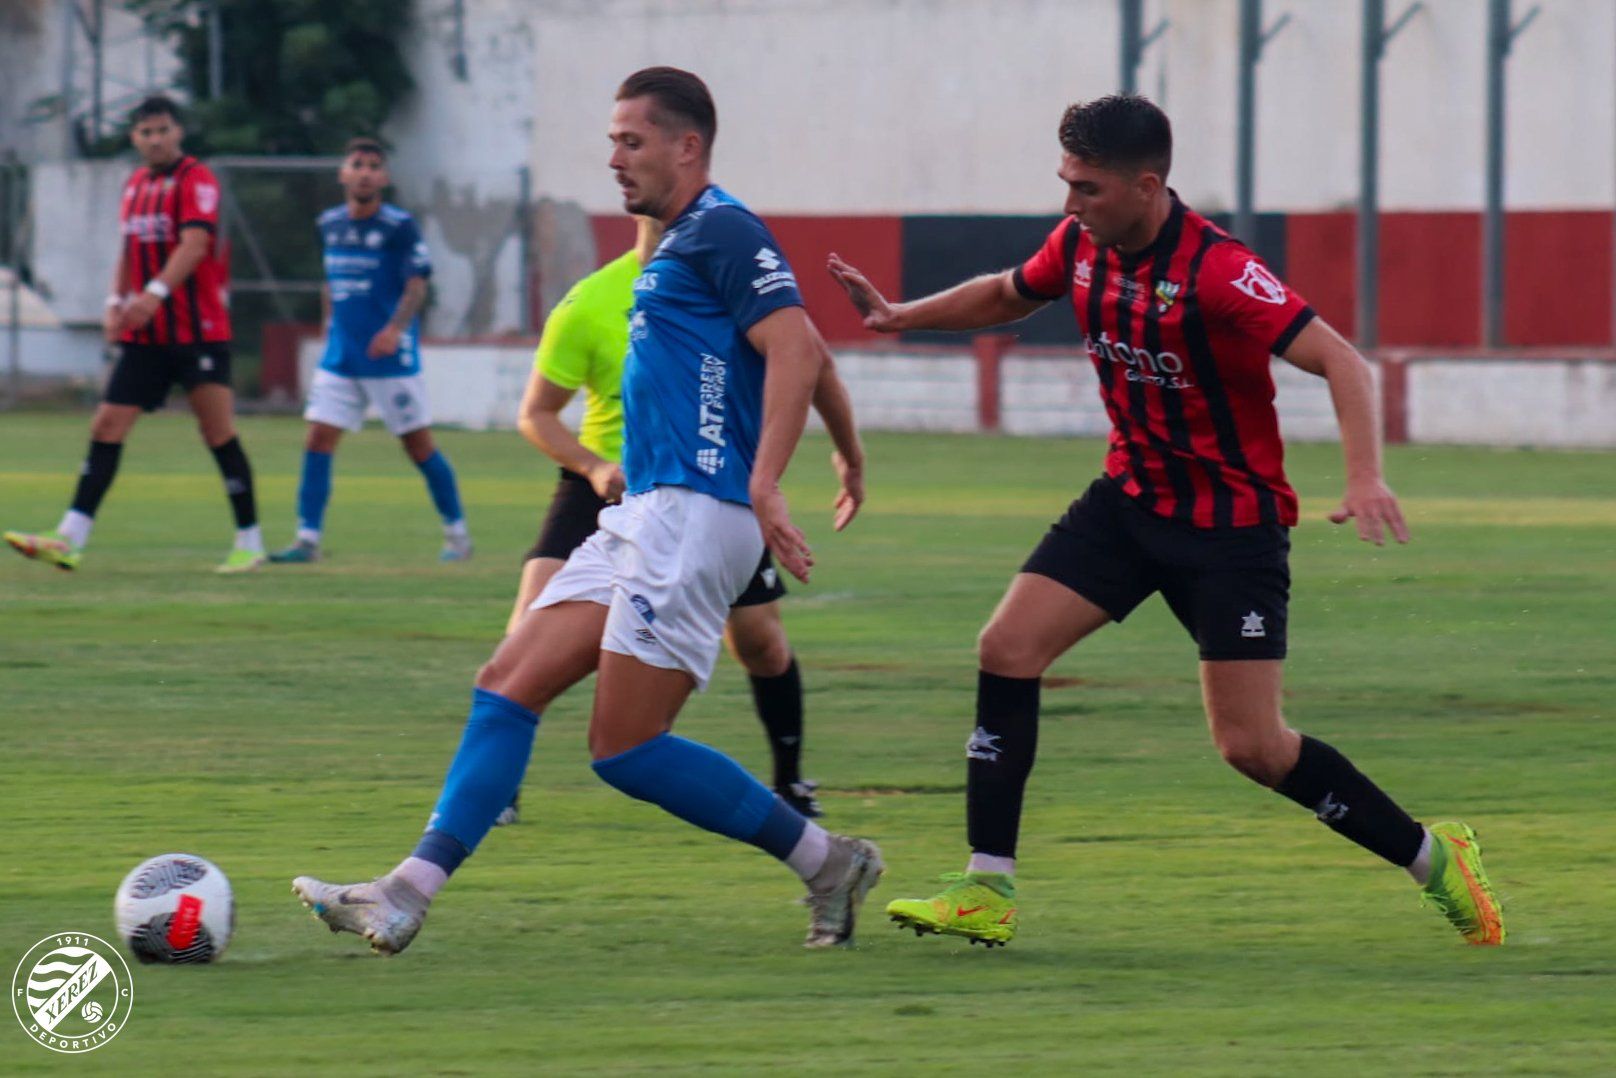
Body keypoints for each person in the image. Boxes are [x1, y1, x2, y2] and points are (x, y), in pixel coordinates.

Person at [827, 94, 1503, 948]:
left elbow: (1340, 359)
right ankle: (985, 888)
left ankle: (1433, 857)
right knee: (1006, 647)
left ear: (1148, 187)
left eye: (1090, 187)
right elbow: (1008, 293)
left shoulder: (1220, 271)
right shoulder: (1080, 243)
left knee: (1253, 747)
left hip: (1230, 531)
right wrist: (900, 316)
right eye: (1066, 182)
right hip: (1130, 502)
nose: (1071, 203)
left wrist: (1365, 475)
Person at [293, 67, 880, 953]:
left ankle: (825, 859)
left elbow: (796, 346)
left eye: (630, 140)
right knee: (506, 684)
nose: (613, 157)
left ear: (688, 146)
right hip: (645, 512)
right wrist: (848, 447)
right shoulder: (678, 242)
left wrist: (767, 481)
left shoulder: (721, 226)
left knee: (626, 749)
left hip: (692, 517)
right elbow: (810, 357)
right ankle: (404, 892)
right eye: (611, 139)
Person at [496, 214, 822, 827]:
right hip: (600, 482)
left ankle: (791, 781)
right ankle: (500, 789)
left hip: (700, 485)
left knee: (759, 640)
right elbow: (536, 414)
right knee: (527, 625)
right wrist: (592, 468)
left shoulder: (722, 278)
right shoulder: (590, 300)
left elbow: (800, 354)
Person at [4, 95, 263, 573]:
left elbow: (196, 243)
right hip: (147, 336)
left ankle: (250, 541)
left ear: (178, 132)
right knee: (106, 425)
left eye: (163, 130)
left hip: (196, 332)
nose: (156, 139)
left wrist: (155, 293)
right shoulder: (135, 185)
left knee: (217, 431)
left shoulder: (195, 179)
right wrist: (113, 302)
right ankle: (69, 538)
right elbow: (129, 249)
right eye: (146, 132)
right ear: (134, 138)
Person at [268, 137, 469, 564]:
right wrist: (328, 327)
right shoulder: (330, 224)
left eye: (373, 165)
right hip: (342, 355)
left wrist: (396, 330)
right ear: (343, 173)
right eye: (357, 164)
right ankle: (307, 539)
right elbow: (331, 281)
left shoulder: (399, 227)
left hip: (387, 358)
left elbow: (417, 283)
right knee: (318, 438)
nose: (364, 172)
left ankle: (457, 535)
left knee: (417, 445)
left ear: (384, 177)